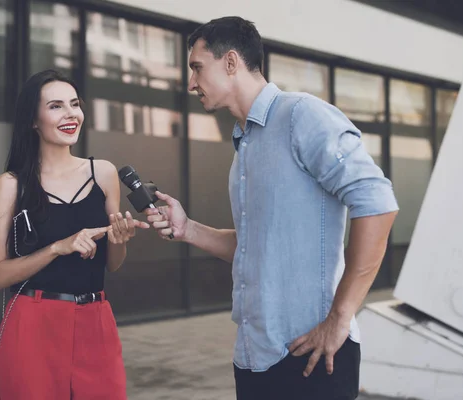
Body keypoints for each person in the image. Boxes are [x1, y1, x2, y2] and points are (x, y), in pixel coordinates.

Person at [146, 17, 399, 400]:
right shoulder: (244, 143)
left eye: (197, 67)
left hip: (313, 356)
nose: (191, 82)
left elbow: (377, 204)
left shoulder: (301, 116)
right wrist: (187, 229)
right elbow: (254, 246)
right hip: (254, 358)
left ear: (231, 62)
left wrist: (340, 318)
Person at [0, 69, 149, 400]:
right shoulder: (11, 184)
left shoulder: (102, 173)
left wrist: (118, 241)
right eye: (56, 106)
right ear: (34, 120)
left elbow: (112, 264)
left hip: (96, 320)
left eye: (74, 104)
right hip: (32, 326)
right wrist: (58, 247)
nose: (70, 114)